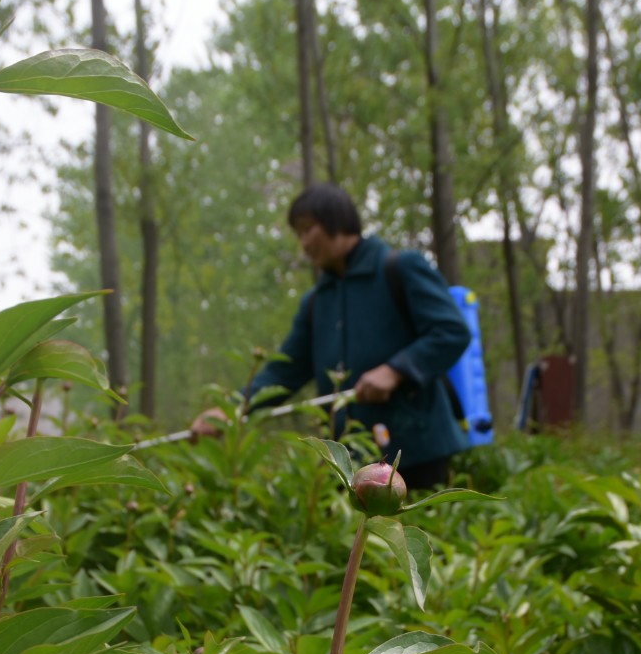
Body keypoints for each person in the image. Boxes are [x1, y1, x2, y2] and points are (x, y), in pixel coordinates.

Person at [191, 183, 471, 490]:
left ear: (337, 221)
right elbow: (284, 370)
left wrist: (396, 370)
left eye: (308, 229)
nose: (304, 244)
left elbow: (452, 331)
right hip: (349, 463)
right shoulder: (316, 302)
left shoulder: (399, 268)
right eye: (298, 234)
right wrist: (231, 409)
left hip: (418, 455)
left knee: (424, 533)